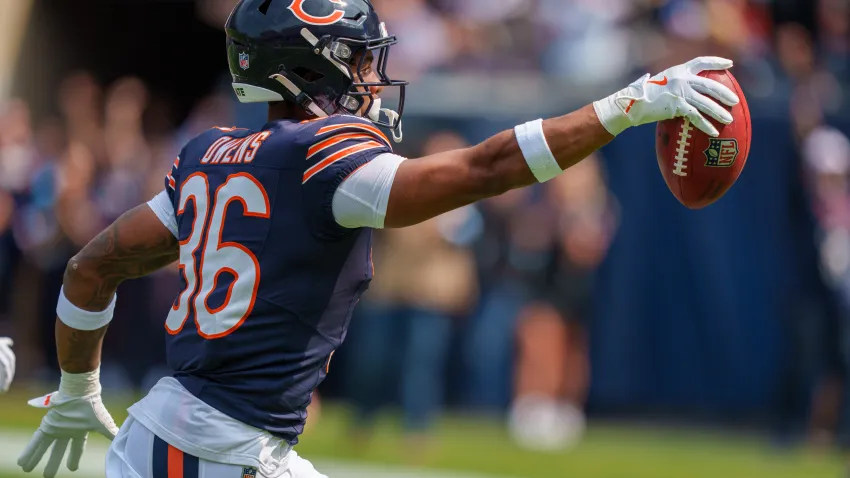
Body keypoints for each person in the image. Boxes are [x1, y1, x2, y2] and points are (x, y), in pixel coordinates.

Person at [16, 1, 739, 477]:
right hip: (221, 453)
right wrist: (626, 105)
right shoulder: (321, 157)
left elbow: (94, 265)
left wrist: (79, 384)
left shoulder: (207, 153)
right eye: (357, 60)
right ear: (307, 68)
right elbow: (485, 168)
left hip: (165, 438)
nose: (372, 76)